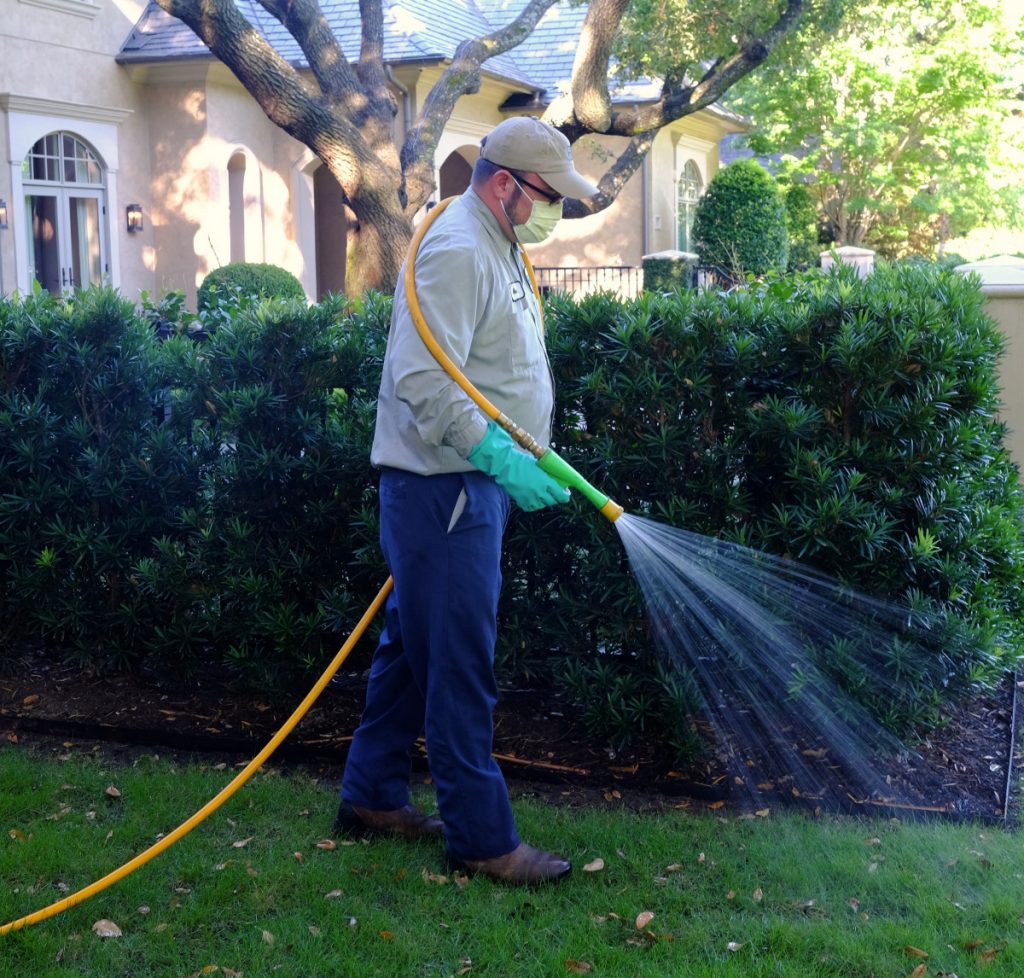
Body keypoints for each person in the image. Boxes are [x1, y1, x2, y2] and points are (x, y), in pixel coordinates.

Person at [335, 116, 599, 885]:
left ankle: (372, 798)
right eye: (551, 199)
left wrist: (520, 453)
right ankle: (483, 841)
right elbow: (423, 377)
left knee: (414, 654)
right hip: (445, 489)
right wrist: (495, 457)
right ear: (506, 184)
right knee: (457, 664)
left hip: (462, 487)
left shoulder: (493, 238)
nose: (558, 215)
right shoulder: (457, 248)